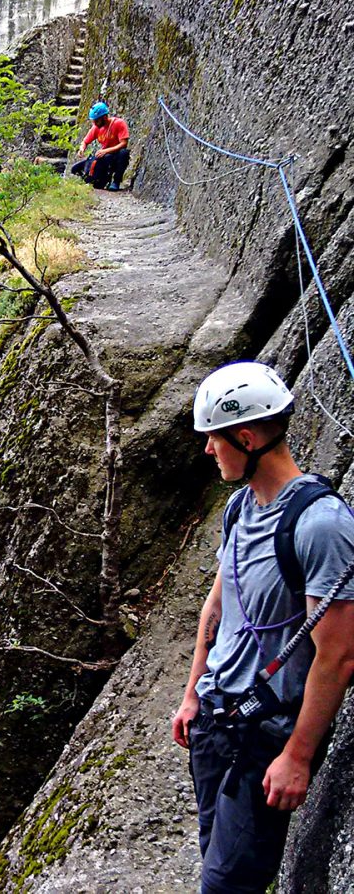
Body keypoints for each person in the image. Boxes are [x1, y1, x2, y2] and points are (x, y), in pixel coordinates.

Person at [171, 361, 354, 893]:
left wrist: (296, 756)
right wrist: (192, 696)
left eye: (214, 440)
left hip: (262, 739)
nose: (208, 451)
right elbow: (218, 605)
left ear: (246, 438)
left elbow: (339, 653)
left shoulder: (321, 525)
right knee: (217, 862)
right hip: (216, 721)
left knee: (228, 885)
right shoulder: (239, 508)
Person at [70, 102, 130, 191]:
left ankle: (116, 181)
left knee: (124, 153)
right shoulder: (96, 128)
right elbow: (85, 141)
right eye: (93, 121)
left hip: (116, 156)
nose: (95, 123)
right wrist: (82, 149)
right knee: (74, 169)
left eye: (97, 120)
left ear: (105, 117)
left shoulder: (118, 123)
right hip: (104, 157)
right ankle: (93, 179)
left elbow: (123, 143)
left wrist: (106, 151)